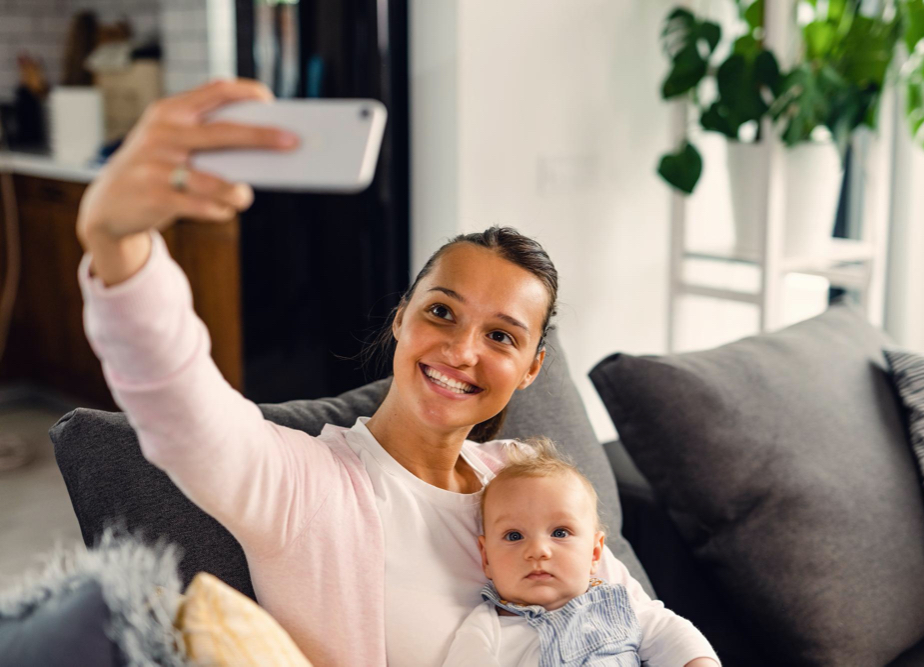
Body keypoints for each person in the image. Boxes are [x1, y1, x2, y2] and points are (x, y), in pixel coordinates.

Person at [75, 77, 718, 667]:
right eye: (442, 312)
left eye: (500, 335)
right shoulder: (306, 488)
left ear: (530, 369)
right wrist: (117, 242)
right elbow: (181, 411)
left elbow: (647, 622)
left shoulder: (526, 475)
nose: (462, 350)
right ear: (401, 320)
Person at [443, 438, 719, 667]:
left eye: (560, 533)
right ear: (487, 557)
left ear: (595, 554)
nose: (538, 550)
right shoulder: (485, 629)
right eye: (514, 536)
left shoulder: (616, 606)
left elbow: (671, 634)